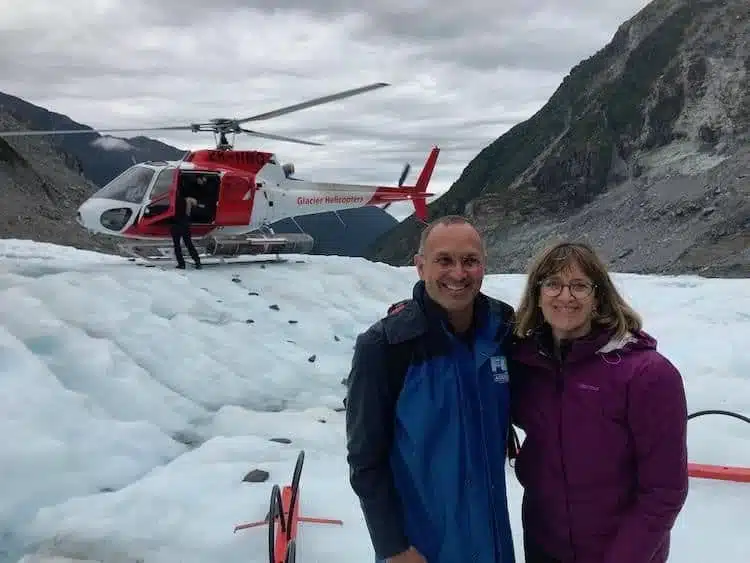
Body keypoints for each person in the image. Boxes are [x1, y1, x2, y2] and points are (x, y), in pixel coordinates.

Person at [345, 215, 517, 563]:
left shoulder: (502, 328)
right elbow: (365, 459)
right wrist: (392, 546)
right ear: (420, 267)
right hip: (420, 548)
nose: (458, 274)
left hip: (492, 541)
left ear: (483, 266)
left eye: (470, 261)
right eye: (444, 261)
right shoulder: (386, 345)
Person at [509, 241, 689, 563]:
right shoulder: (527, 365)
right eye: (552, 284)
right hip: (543, 547)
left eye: (579, 285)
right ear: (537, 294)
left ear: (598, 297)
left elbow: (664, 492)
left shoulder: (648, 375)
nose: (565, 296)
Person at [171, 183, 201, 270]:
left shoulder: (172, 201)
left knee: (177, 245)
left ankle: (181, 264)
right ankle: (197, 261)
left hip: (176, 224)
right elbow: (194, 206)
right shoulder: (187, 200)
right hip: (185, 223)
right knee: (189, 244)